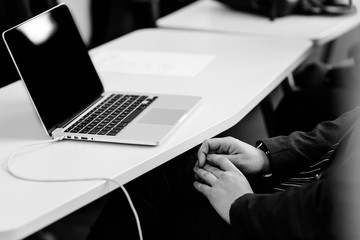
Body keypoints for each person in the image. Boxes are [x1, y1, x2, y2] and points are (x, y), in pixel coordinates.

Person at [86, 106, 360, 240]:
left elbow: (335, 212)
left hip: (308, 219)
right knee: (169, 173)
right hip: (310, 186)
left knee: (179, 223)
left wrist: (244, 206)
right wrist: (266, 157)